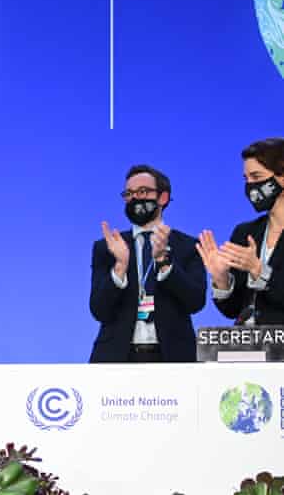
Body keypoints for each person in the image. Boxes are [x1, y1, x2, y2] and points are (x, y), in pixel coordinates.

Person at [89, 166, 206, 363]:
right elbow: (99, 310)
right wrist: (119, 267)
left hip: (174, 357)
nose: (135, 198)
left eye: (142, 191)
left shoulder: (188, 246)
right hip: (116, 358)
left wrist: (165, 263)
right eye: (129, 194)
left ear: (163, 198)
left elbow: (195, 301)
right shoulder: (107, 247)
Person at [198, 138, 284, 325]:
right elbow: (232, 310)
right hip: (246, 349)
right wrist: (221, 280)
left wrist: (259, 270)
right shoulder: (245, 232)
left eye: (257, 177)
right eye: (246, 179)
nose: (250, 186)